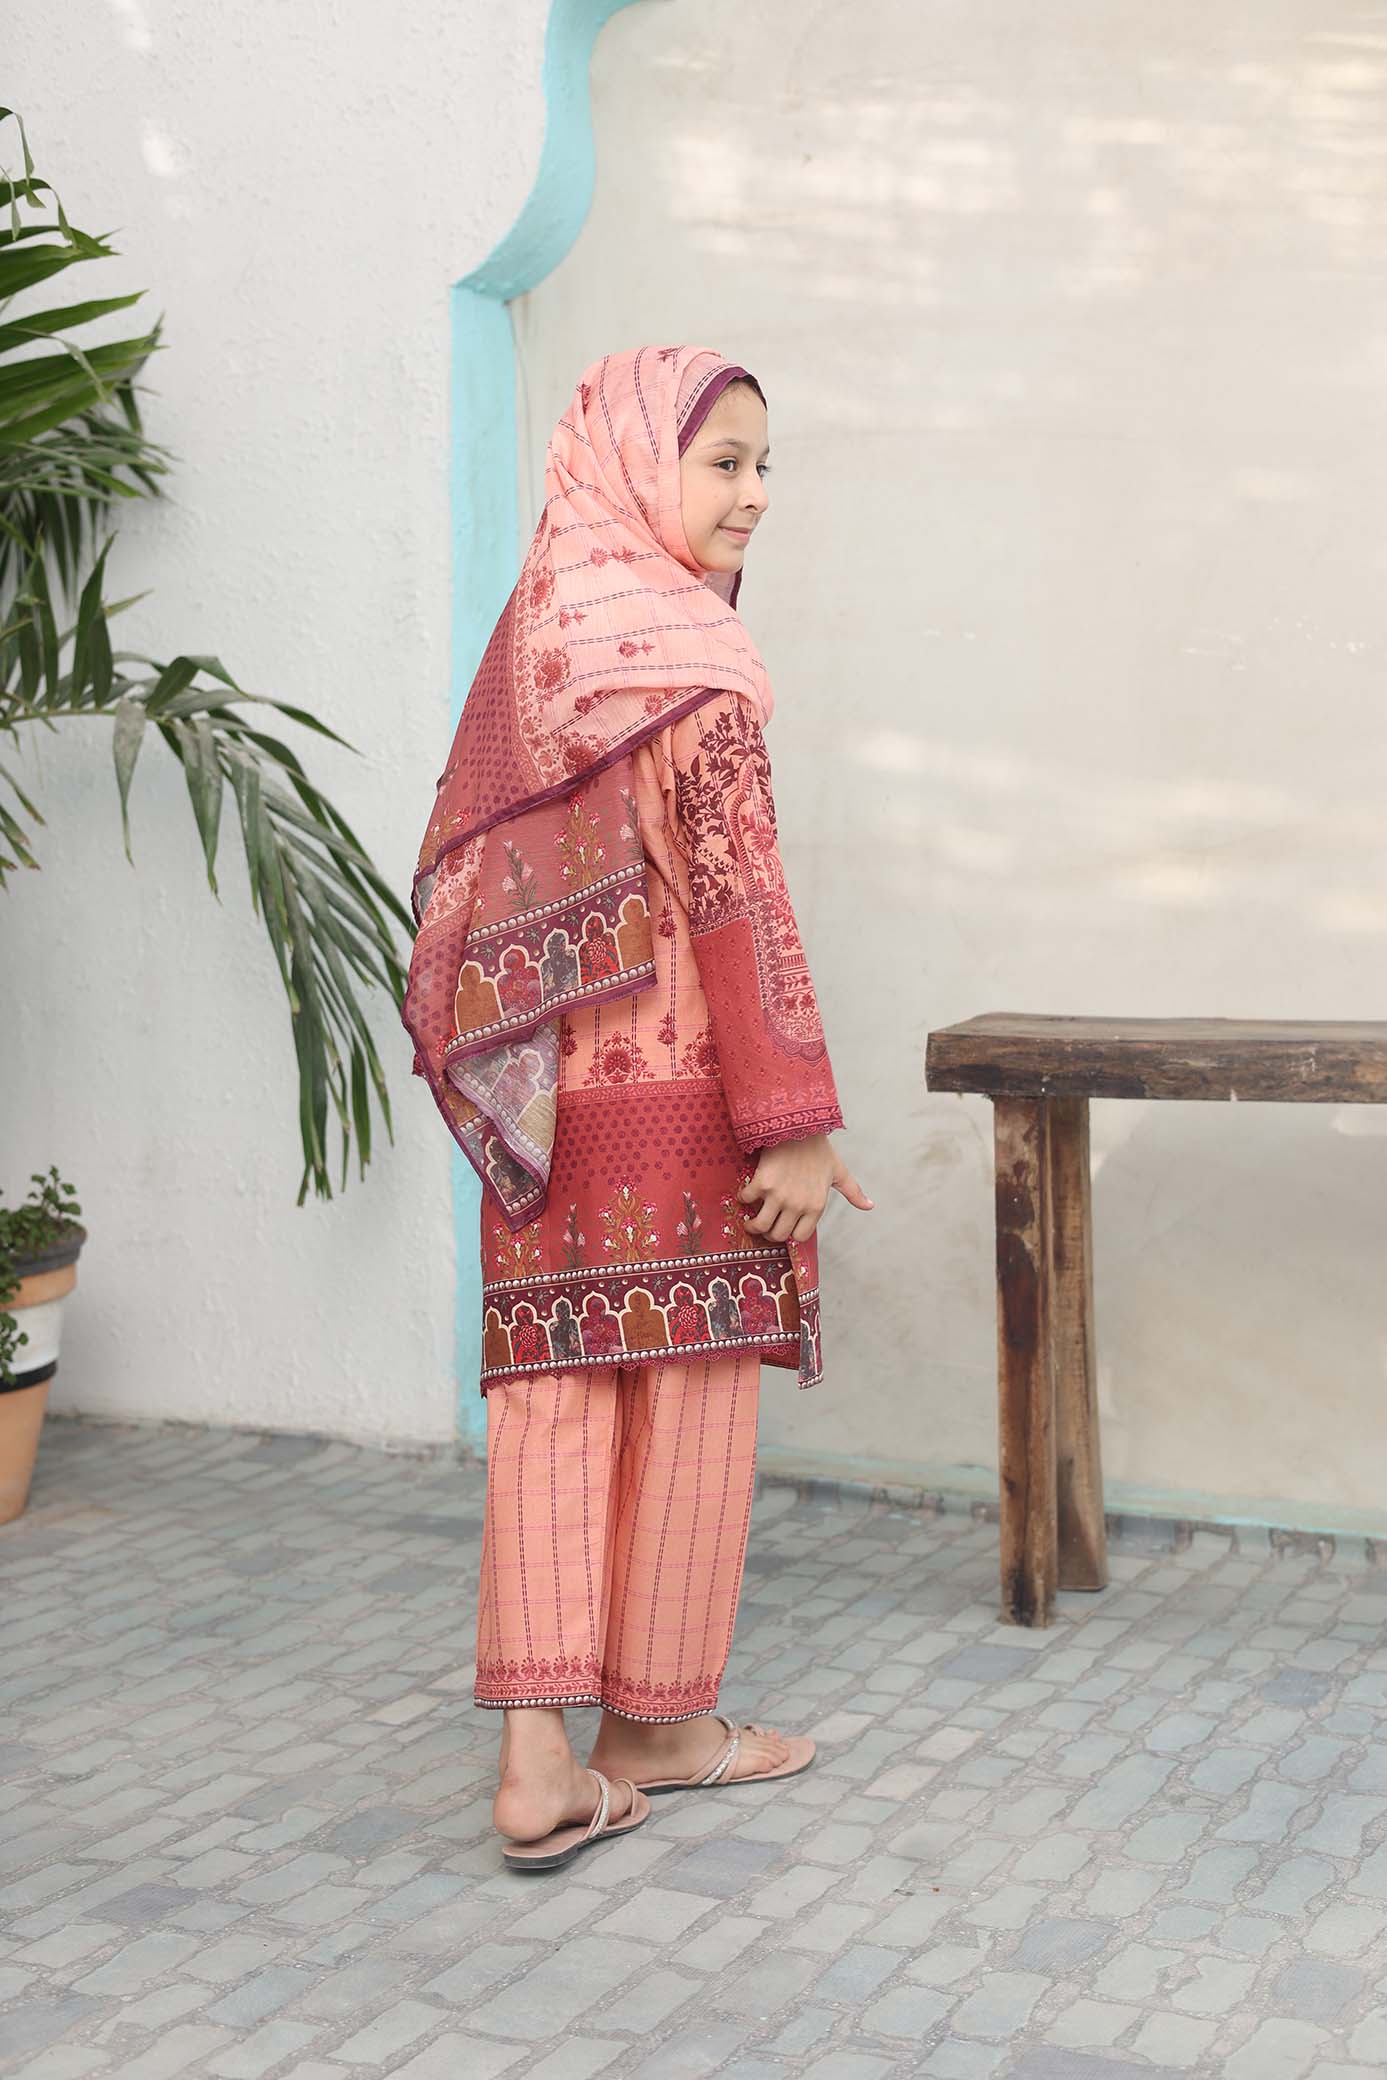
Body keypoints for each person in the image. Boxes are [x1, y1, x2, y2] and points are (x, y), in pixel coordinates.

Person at [402, 346, 872, 1871]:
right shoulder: (698, 672)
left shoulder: (544, 653)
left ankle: (540, 1761)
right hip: (685, 1098)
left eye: (764, 464)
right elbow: (745, 907)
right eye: (723, 460)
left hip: (549, 1109)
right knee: (692, 1392)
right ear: (632, 466)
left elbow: (467, 892)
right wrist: (794, 1116)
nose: (755, 493)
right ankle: (658, 1726)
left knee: (552, 1395)